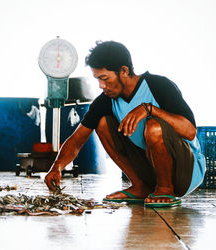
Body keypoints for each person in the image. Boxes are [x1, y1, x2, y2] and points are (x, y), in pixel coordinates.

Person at [45, 41, 206, 207]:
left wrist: (150, 110)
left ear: (124, 71)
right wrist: (57, 167)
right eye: (98, 79)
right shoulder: (106, 100)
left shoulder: (159, 86)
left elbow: (190, 132)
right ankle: (140, 186)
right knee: (102, 123)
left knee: (154, 126)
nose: (101, 86)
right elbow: (77, 139)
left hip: (186, 171)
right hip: (152, 171)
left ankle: (165, 189)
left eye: (105, 78)